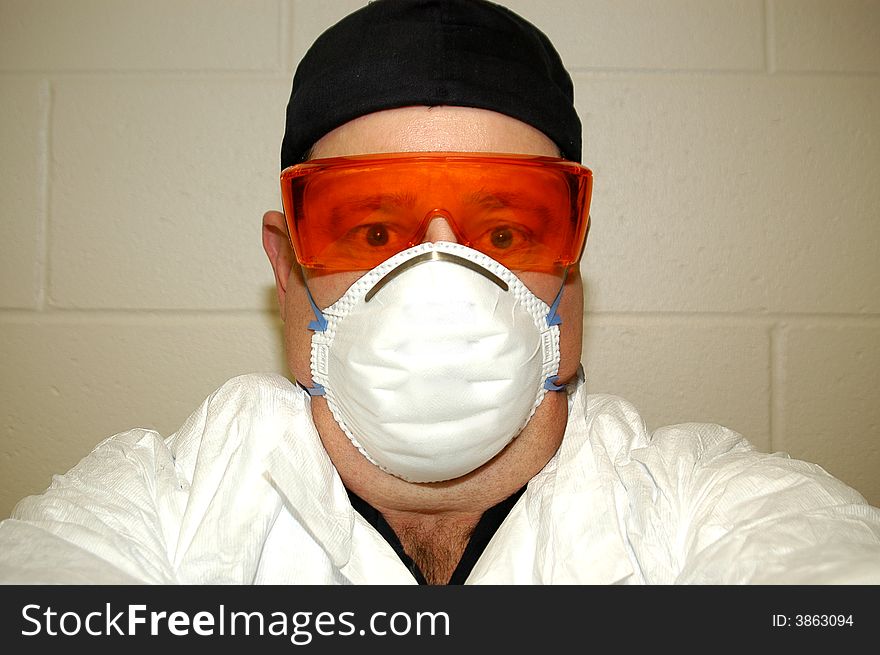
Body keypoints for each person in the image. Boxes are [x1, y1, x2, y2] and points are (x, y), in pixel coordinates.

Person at [1, 0, 879, 585]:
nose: (437, 272)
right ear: (289, 265)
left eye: (503, 232)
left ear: (567, 266)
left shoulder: (709, 513)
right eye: (374, 230)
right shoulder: (151, 510)